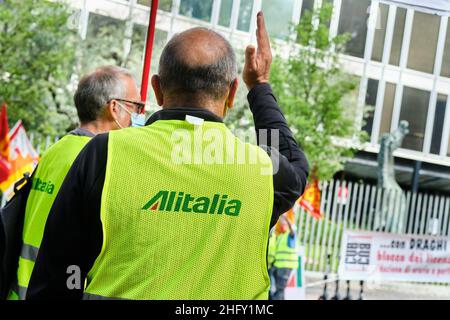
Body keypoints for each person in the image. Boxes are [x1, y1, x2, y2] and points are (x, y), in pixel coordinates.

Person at [27, 12, 309, 300]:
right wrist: (260, 86)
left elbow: (56, 278)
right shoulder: (263, 170)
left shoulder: (103, 154)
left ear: (157, 89)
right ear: (232, 92)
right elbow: (296, 163)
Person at [8, 66, 142, 300]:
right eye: (136, 106)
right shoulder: (97, 161)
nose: (138, 115)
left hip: (22, 287)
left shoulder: (56, 149)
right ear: (114, 108)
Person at [272, 214, 298, 300]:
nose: (283, 226)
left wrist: (287, 219)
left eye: (285, 224)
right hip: (277, 266)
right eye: (282, 224)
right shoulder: (280, 236)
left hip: (286, 267)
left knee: (280, 290)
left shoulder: (290, 236)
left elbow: (292, 230)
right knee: (278, 290)